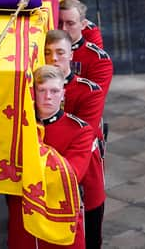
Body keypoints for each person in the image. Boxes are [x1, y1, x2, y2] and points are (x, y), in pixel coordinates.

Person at [7, 65, 94, 248]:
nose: (48, 97)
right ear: (33, 93)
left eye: (54, 91)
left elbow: (72, 175)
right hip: (23, 217)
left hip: (62, 216)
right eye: (42, 90)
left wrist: (32, 161)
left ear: (63, 93)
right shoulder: (16, 128)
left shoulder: (80, 130)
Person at [44, 30, 105, 247]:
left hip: (83, 177)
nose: (54, 58)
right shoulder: (34, 90)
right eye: (48, 53)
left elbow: (82, 134)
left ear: (71, 55)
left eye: (60, 52)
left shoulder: (89, 91)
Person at [59, 0, 113, 93]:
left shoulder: (98, 59)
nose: (63, 29)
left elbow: (92, 97)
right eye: (59, 23)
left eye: (70, 23)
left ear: (83, 25)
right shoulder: (44, 47)